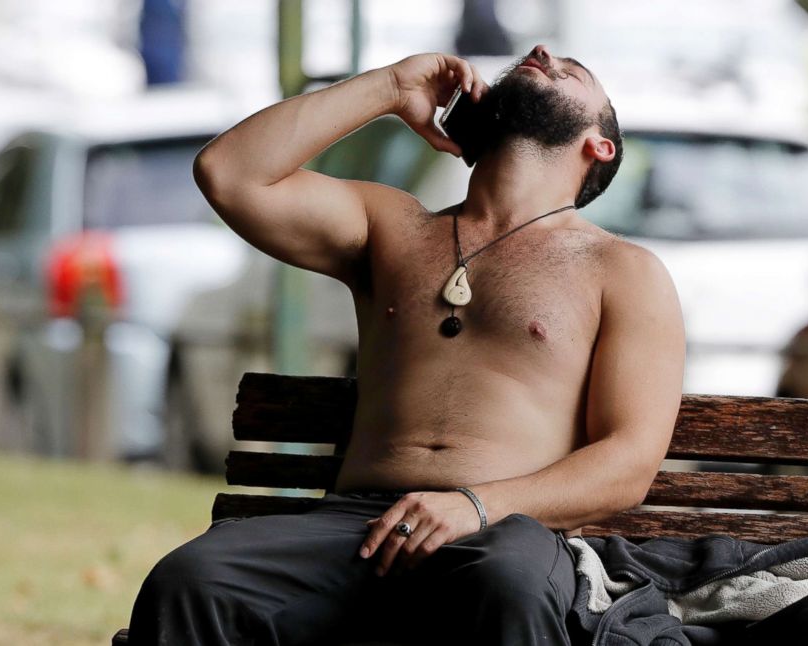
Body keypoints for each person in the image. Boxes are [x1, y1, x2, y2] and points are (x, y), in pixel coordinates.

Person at [128, 45, 686, 645]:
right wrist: (390, 89)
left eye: (572, 72)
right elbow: (229, 173)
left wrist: (473, 506)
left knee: (508, 584)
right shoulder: (391, 226)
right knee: (192, 579)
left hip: (507, 532)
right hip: (355, 526)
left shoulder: (622, 270)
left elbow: (628, 461)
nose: (543, 52)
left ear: (598, 145)